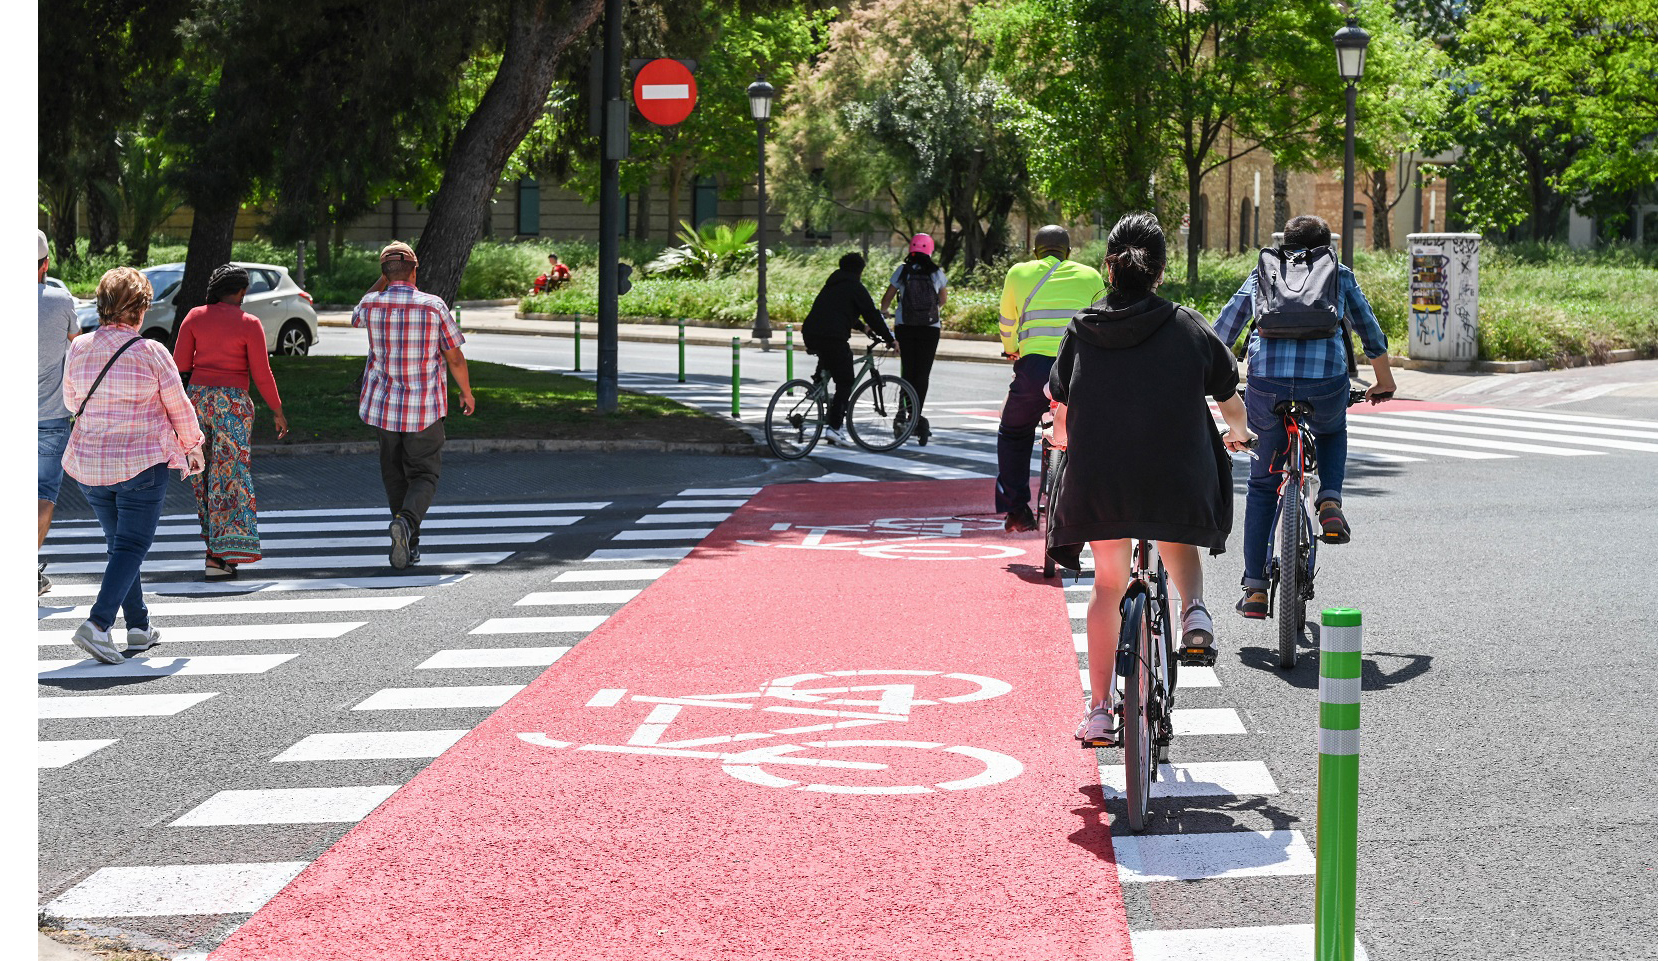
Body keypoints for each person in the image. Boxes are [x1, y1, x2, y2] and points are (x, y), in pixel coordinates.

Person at [1044, 213, 1251, 745]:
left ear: (1108, 267)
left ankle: (1098, 710)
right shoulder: (1186, 325)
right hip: (1175, 479)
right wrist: (1239, 433)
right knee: (1174, 533)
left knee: (1108, 584)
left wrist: (1062, 440)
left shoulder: (1082, 328)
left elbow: (1062, 410)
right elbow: (1229, 397)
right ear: (1160, 271)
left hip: (1101, 483)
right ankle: (1196, 613)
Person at [1211, 214, 1396, 620]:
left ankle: (1256, 589)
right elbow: (1368, 330)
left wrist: (1210, 382)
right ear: (1326, 245)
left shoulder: (1263, 271)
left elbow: (1222, 331)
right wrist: (1383, 381)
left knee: (1262, 486)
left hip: (1266, 385)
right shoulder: (1338, 272)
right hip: (1326, 382)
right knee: (1331, 430)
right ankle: (1328, 499)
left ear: (1283, 242)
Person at [61, 267, 206, 664]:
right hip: (142, 465)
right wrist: (194, 447)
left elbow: (72, 403)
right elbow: (180, 407)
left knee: (120, 547)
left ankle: (139, 626)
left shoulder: (80, 347)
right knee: (132, 546)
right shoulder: (152, 352)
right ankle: (97, 624)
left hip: (90, 468)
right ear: (140, 310)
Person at [354, 241, 474, 570]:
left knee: (394, 476)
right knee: (423, 474)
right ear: (415, 270)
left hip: (383, 407)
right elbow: (454, 356)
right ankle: (406, 524)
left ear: (383, 272)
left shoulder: (371, 305)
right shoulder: (433, 306)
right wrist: (466, 391)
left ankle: (410, 541)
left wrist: (384, 280)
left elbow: (356, 314)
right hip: (424, 409)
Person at [174, 264, 291, 580]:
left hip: (197, 401)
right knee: (230, 475)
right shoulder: (249, 324)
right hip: (233, 407)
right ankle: (226, 553)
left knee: (202, 475)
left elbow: (180, 365)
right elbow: (262, 374)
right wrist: (277, 411)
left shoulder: (194, 318)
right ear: (240, 292)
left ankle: (213, 552)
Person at [994, 224, 1105, 533]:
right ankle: (1090, 504)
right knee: (1090, 433)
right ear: (1069, 253)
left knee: (1013, 431)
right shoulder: (1090, 276)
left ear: (1035, 252)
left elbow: (1007, 321)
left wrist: (1011, 350)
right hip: (1079, 369)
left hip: (1034, 370)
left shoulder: (1018, 273)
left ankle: (1017, 507)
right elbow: (1102, 319)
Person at [800, 252, 897, 445]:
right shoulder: (855, 287)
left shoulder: (831, 285)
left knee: (831, 357)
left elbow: (840, 312)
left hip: (811, 334)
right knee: (845, 381)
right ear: (860, 271)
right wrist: (890, 339)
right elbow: (872, 314)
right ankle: (835, 428)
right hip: (832, 337)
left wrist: (862, 328)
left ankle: (817, 385)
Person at [38, 229, 78, 595]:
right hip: (51, 417)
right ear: (45, 263)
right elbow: (78, 346)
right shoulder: (60, 299)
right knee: (44, 494)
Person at [878, 233, 947, 445]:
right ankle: (915, 416)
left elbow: (886, 300)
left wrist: (886, 312)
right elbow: (942, 300)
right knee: (922, 374)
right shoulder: (936, 272)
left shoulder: (903, 271)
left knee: (907, 372)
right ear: (930, 250)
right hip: (929, 328)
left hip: (905, 327)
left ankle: (901, 413)